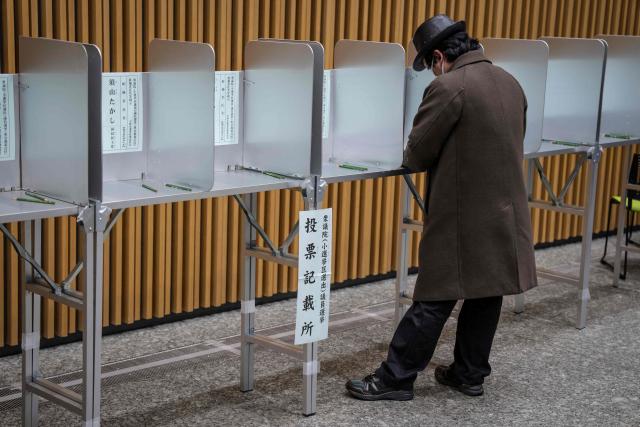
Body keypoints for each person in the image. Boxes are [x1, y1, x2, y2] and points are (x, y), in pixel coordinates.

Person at [346, 14, 537, 401]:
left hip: (464, 214)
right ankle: (469, 373)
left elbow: (417, 153)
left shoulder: (451, 86)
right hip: (506, 211)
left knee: (434, 297)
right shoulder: (511, 83)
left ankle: (395, 378)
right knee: (487, 293)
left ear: (438, 58)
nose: (431, 74)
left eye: (429, 67)